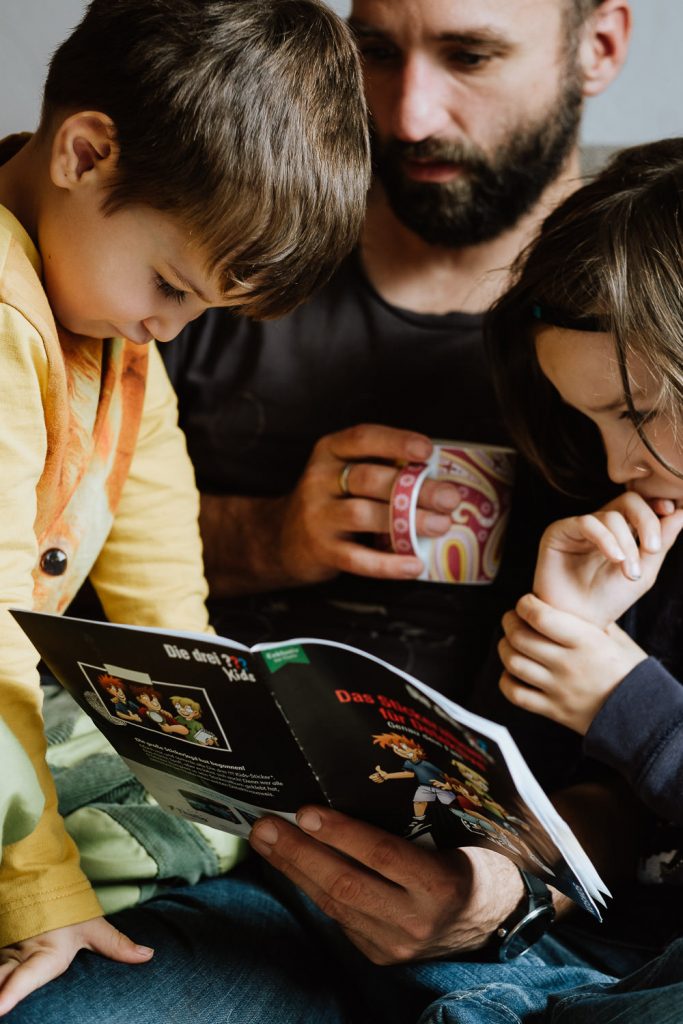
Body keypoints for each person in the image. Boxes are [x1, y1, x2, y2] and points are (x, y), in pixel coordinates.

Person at [18, 137, 683, 1024]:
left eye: (635, 415)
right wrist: (562, 634)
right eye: (586, 420)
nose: (614, 463)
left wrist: (622, 698)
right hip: (421, 923)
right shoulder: (615, 513)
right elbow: (575, 806)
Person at [0, 0, 369, 1015]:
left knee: (224, 804)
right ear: (85, 153)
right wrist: (42, 891)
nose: (170, 326)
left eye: (201, 307)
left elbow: (168, 621)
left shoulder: (121, 346)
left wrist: (223, 773)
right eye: (168, 284)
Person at [161, 0, 632, 698]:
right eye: (376, 53)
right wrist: (271, 539)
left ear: (597, 46)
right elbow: (40, 537)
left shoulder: (658, 287)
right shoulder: (205, 240)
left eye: (469, 57)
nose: (408, 119)